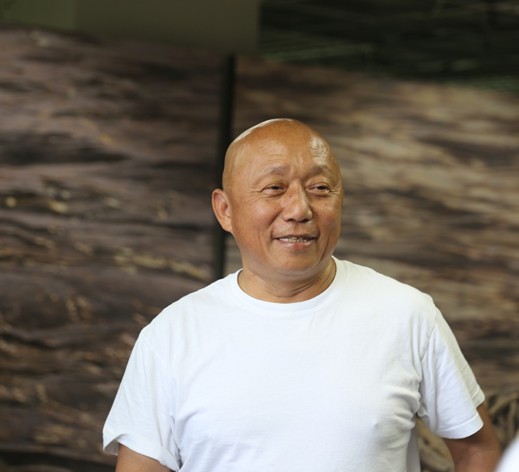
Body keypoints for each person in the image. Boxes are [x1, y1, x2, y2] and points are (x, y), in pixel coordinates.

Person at [103, 118, 501, 471]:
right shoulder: (172, 335)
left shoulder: (407, 314)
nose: (299, 209)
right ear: (225, 210)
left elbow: (478, 451)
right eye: (274, 188)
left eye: (320, 188)